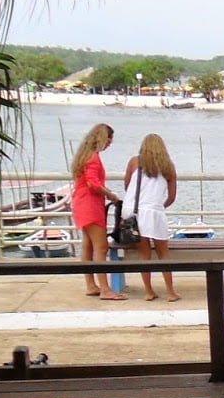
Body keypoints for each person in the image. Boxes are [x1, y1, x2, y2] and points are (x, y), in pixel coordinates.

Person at [69, 123, 125, 300]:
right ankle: (105, 289)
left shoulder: (84, 156)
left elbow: (89, 181)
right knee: (101, 247)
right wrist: (110, 194)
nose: (110, 142)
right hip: (90, 205)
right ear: (101, 137)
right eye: (109, 138)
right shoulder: (93, 158)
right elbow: (93, 184)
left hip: (80, 202)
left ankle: (91, 284)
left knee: (88, 245)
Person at [122, 133, 180, 301]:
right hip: (153, 212)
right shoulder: (168, 166)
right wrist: (159, 205)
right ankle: (170, 292)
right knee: (163, 253)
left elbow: (127, 186)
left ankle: (148, 291)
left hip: (133, 211)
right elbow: (171, 197)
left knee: (144, 253)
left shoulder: (134, 162)